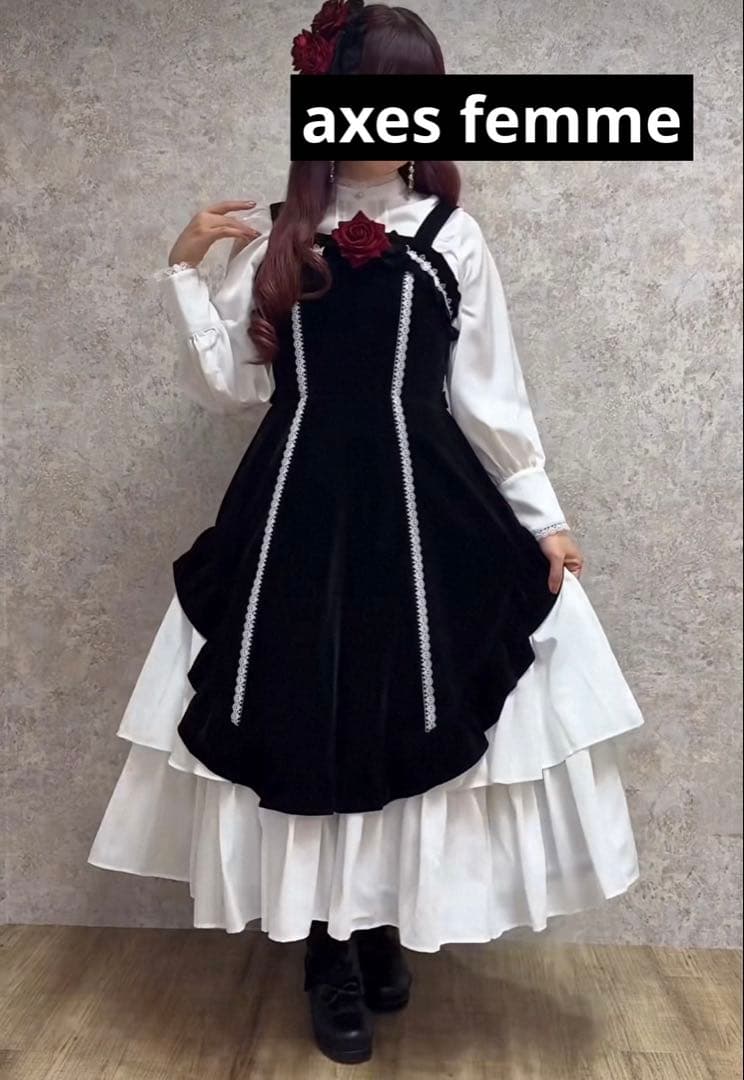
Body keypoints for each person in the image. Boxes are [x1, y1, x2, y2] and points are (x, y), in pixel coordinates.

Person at [87, 1, 645, 1065]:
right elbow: (234, 385)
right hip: (294, 512)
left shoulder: (452, 237)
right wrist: (184, 268)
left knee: (408, 707)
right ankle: (328, 951)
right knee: (307, 714)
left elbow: (491, 398)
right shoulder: (284, 238)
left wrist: (546, 519)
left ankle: (383, 923)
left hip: (423, 511)